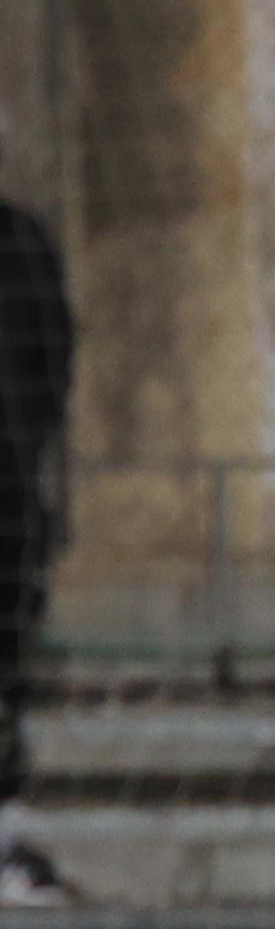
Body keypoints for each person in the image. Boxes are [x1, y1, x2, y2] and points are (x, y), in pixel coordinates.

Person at [0, 164, 73, 870]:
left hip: (8, 503)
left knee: (8, 672)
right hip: (14, 491)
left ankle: (7, 838)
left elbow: (54, 365)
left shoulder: (22, 242)